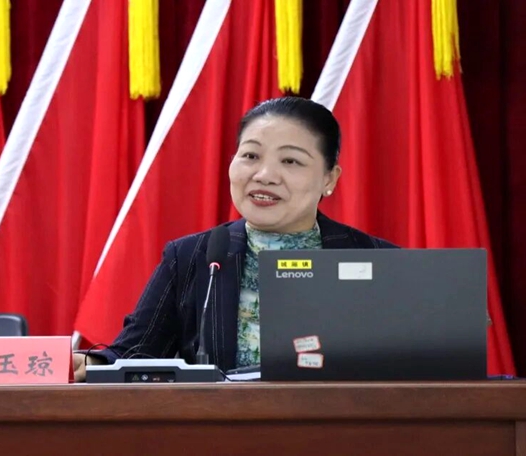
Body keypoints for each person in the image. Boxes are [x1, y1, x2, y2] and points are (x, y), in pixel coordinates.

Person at [72, 96, 397, 381]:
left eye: (290, 161)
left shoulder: (378, 261)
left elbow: (407, 366)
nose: (264, 175)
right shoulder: (192, 257)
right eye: (251, 156)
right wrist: (93, 363)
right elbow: (135, 354)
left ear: (329, 178)